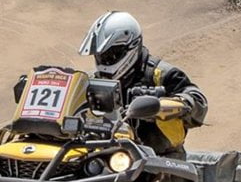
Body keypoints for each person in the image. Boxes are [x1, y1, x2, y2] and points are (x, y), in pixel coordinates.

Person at [77, 11, 207, 156]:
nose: (105, 61)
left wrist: (163, 105)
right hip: (110, 157)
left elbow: (197, 101)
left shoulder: (162, 74)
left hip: (162, 160)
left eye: (112, 54)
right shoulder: (91, 80)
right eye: (101, 56)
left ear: (132, 46)